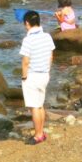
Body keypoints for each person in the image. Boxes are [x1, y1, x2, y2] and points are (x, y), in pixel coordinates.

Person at [20, 10, 55, 144]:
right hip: (44, 74)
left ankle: (38, 135)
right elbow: (51, 56)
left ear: (27, 23)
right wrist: (48, 70)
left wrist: (24, 77)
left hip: (32, 76)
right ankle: (41, 132)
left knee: (34, 106)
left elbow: (25, 61)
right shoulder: (47, 36)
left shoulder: (28, 40)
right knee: (40, 105)